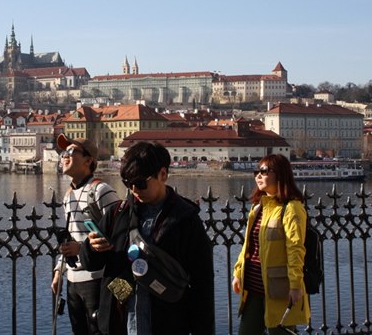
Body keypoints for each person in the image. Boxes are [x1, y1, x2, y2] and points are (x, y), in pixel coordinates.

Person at [79, 141, 215, 335]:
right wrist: (92, 247)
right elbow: (90, 263)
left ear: (163, 175)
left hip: (167, 323)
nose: (134, 189)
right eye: (128, 183)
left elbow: (203, 284)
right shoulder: (118, 213)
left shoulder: (185, 220)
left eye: (141, 183)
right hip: (121, 320)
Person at [232, 154, 310, 334]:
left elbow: (295, 249)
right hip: (253, 289)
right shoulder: (259, 207)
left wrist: (296, 285)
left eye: (264, 171)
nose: (258, 175)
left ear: (280, 174)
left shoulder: (292, 208)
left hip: (279, 289)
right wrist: (238, 272)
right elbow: (249, 246)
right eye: (256, 171)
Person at [51, 134, 120, 335]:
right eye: (63, 152)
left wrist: (82, 249)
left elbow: (121, 234)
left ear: (89, 160)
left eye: (71, 152)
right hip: (73, 280)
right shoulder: (69, 195)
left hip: (98, 279)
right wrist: (59, 270)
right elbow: (72, 237)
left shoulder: (100, 190)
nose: (64, 156)